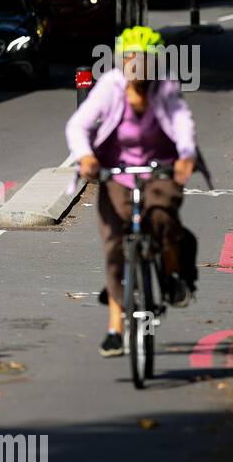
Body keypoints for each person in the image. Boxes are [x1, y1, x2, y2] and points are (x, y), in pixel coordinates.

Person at [65, 26, 207, 358]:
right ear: (120, 60)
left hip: (160, 170)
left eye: (142, 59)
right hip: (117, 173)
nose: (135, 65)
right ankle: (115, 329)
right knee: (115, 246)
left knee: (161, 219)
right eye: (129, 58)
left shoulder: (165, 87)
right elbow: (79, 124)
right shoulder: (110, 86)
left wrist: (186, 155)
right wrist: (85, 155)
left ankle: (172, 275)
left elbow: (182, 121)